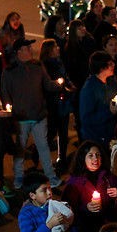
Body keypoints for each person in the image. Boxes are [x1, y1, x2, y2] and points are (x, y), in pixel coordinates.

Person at [1, 39, 63, 190]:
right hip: (20, 118)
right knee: (20, 150)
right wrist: (9, 114)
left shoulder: (37, 66)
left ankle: (50, 176)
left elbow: (47, 84)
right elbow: (5, 94)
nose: (31, 49)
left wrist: (57, 85)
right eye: (27, 47)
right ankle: (18, 178)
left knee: (43, 147)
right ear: (19, 52)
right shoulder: (9, 71)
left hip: (39, 115)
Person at [62, 140, 117, 232]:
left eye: (98, 155)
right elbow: (66, 210)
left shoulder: (108, 177)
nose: (95, 159)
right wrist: (85, 208)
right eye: (90, 156)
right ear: (83, 158)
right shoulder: (74, 183)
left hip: (107, 228)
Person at [40, 39, 75, 169]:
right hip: (53, 102)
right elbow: (47, 85)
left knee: (63, 131)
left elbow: (64, 76)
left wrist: (70, 85)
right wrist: (58, 85)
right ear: (49, 51)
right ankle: (40, 153)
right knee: (52, 131)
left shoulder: (59, 62)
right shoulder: (46, 66)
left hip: (63, 101)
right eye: (55, 47)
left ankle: (62, 158)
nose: (58, 48)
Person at [80, 51, 117, 147]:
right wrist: (110, 113)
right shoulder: (89, 89)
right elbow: (86, 118)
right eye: (110, 64)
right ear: (101, 68)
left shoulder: (111, 83)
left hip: (111, 136)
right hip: (96, 138)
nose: (114, 65)